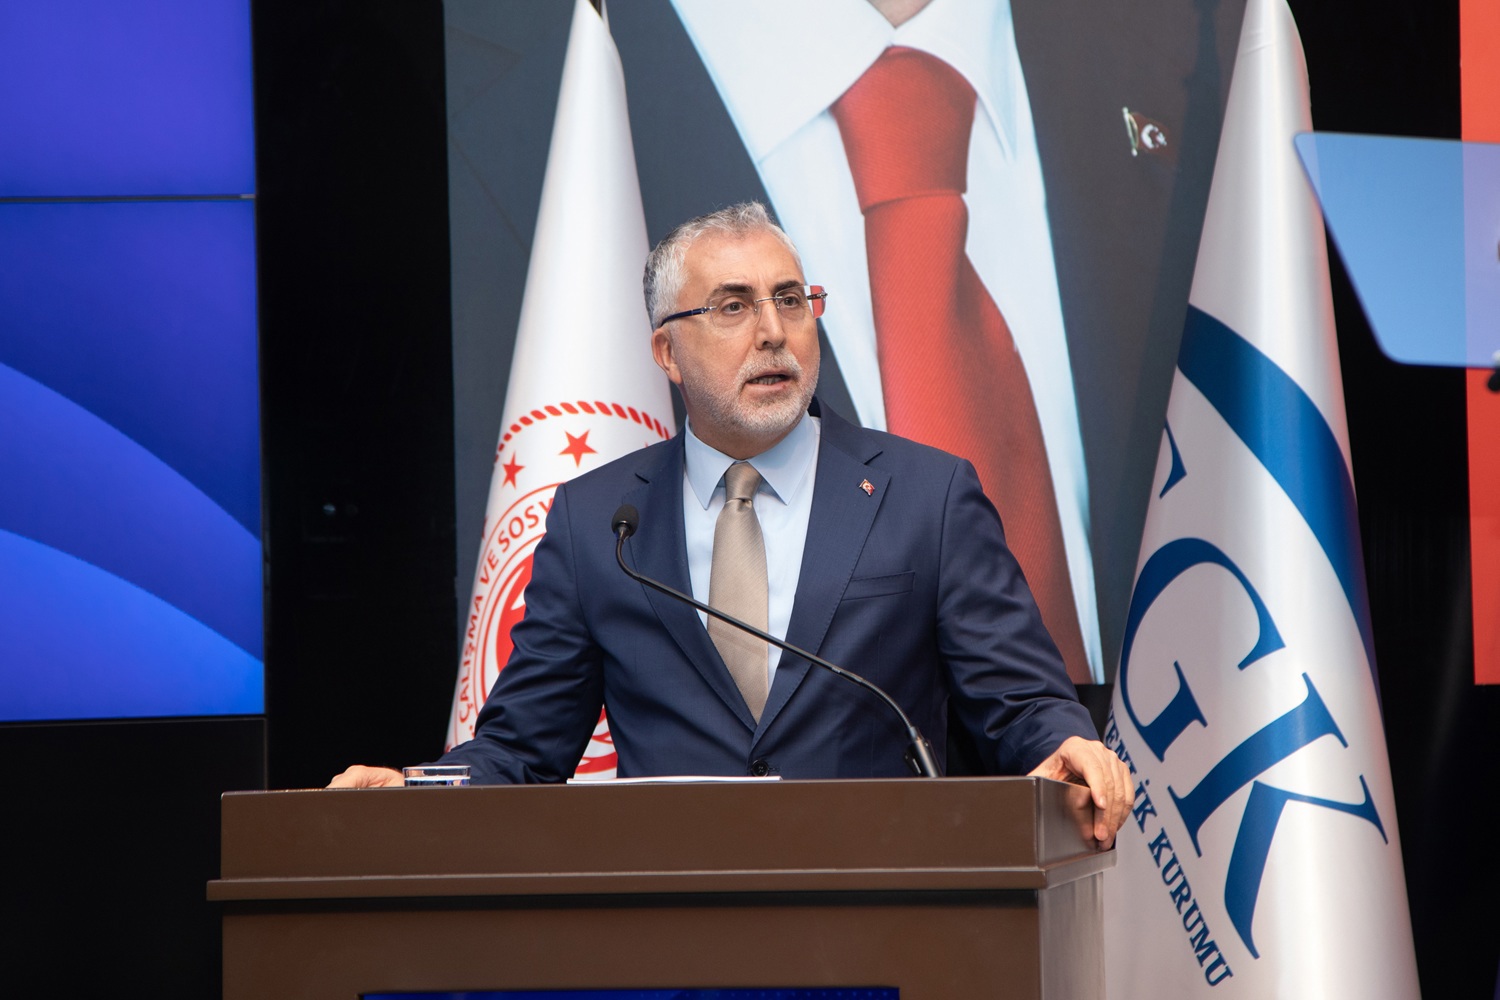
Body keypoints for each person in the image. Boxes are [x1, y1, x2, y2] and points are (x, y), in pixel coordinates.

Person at [332, 202, 1130, 848]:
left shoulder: (928, 496)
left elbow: (1022, 700)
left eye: (791, 299)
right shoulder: (596, 523)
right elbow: (522, 748)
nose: (773, 331)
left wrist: (1062, 745)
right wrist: (417, 792)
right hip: (676, 928)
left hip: (883, 912)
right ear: (667, 352)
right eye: (733, 306)